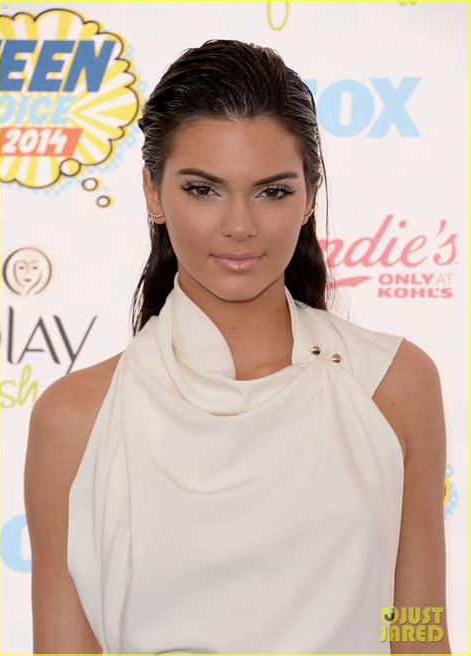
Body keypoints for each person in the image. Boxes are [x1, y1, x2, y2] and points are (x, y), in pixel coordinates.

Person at [25, 39, 451, 654]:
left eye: (272, 191)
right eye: (203, 189)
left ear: (308, 196)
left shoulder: (393, 383)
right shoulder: (75, 419)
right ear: (152, 192)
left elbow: (418, 628)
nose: (239, 225)